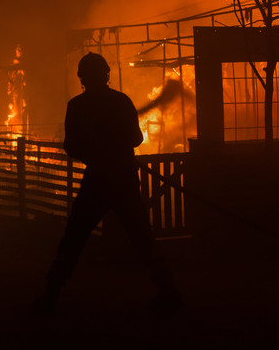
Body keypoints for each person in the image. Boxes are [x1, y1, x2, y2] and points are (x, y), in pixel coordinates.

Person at [34, 52, 182, 314]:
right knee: (142, 236)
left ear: (82, 77)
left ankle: (50, 295)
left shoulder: (77, 106)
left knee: (74, 237)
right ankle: (168, 290)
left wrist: (92, 153)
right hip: (124, 177)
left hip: (97, 179)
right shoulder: (122, 101)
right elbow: (136, 139)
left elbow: (71, 146)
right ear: (106, 74)